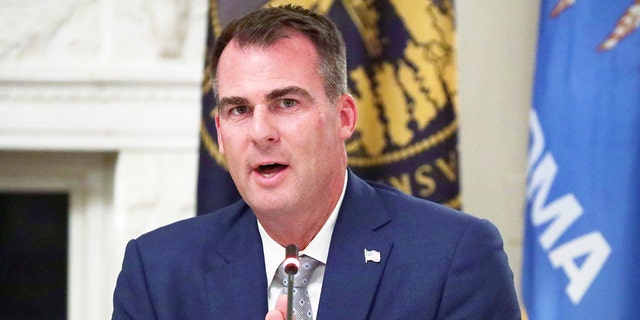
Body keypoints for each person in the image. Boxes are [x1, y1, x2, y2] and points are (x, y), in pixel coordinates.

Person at [112, 5, 521, 320]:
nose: (260, 132)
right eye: (238, 110)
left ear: (344, 117)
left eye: (286, 103)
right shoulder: (158, 273)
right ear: (219, 132)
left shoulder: (453, 257)